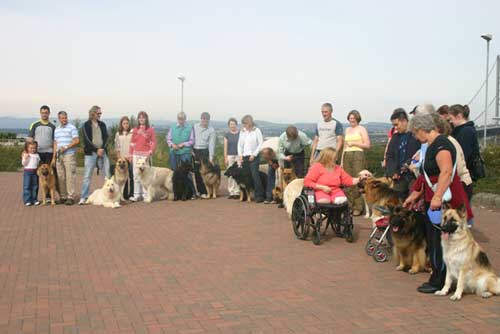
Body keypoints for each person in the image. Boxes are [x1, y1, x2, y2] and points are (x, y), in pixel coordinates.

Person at [404, 112, 473, 294]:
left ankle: (440, 279)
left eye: (416, 133)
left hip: (443, 200)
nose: (416, 137)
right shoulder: (434, 144)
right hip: (433, 197)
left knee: (439, 240)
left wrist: (437, 197)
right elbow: (427, 176)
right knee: (436, 240)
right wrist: (416, 194)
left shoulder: (441, 145)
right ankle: (438, 276)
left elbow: (446, 171)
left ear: (421, 130)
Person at [385, 108, 420, 199]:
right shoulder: (395, 137)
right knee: (396, 200)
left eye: (396, 124)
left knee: (413, 201)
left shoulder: (416, 135)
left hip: (413, 175)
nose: (395, 128)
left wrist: (409, 163)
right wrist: (393, 171)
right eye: (393, 125)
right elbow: (389, 155)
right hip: (399, 176)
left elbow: (420, 153)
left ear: (404, 121)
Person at [79, 106, 111, 204]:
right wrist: (96, 150)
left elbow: (106, 138)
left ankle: (108, 195)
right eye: (98, 113)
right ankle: (84, 197)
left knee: (107, 174)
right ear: (92, 113)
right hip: (90, 153)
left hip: (103, 152)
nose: (100, 115)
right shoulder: (85, 125)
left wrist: (101, 149)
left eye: (100, 113)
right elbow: (87, 140)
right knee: (87, 176)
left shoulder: (102, 124)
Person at [448, 104, 480, 201]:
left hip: (463, 178)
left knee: (463, 210)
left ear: (459, 116)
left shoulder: (466, 132)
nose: (450, 122)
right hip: (462, 177)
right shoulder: (464, 131)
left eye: (451, 118)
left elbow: (464, 156)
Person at [342, 110, 370, 216]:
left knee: (358, 180)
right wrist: (341, 161)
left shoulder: (361, 129)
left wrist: (354, 143)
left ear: (357, 118)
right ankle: (350, 205)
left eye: (353, 118)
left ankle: (358, 207)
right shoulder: (347, 129)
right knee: (347, 180)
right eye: (350, 118)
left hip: (358, 154)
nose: (351, 120)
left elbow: (367, 145)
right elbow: (345, 146)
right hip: (347, 155)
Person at [52, 111, 79, 205]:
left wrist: (66, 147)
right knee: (61, 176)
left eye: (65, 118)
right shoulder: (56, 129)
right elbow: (55, 143)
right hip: (59, 155)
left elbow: (76, 141)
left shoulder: (72, 128)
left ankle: (70, 197)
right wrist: (54, 156)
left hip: (69, 155)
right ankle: (63, 197)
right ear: (59, 119)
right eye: (62, 118)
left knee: (69, 176)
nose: (64, 120)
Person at [129, 111, 156, 202]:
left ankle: (146, 194)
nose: (141, 119)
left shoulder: (150, 130)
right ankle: (137, 195)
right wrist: (130, 154)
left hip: (145, 155)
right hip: (136, 154)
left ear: (146, 119)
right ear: (138, 119)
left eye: (143, 117)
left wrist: (151, 151)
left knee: (146, 175)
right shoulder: (135, 130)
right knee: (136, 174)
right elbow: (132, 143)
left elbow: (153, 142)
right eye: (140, 118)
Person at [237, 115, 264, 203]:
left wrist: (254, 154)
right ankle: (246, 195)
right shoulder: (242, 131)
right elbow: (240, 144)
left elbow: (260, 143)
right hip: (244, 156)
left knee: (255, 176)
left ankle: (259, 195)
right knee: (246, 177)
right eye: (243, 124)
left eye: (245, 124)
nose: (244, 125)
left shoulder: (256, 130)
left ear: (250, 123)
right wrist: (240, 155)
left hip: (254, 157)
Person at [193, 112, 216, 199]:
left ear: (208, 120)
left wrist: (211, 157)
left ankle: (205, 191)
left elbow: (211, 144)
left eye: (206, 119)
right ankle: (199, 191)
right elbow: (192, 138)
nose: (204, 121)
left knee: (205, 172)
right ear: (201, 119)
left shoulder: (211, 130)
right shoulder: (195, 127)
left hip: (204, 151)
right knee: (197, 172)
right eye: (203, 119)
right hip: (195, 150)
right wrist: (192, 150)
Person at [114, 116, 134, 199]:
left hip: (130, 158)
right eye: (124, 123)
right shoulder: (118, 134)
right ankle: (124, 195)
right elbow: (117, 147)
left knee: (132, 176)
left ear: (129, 124)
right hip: (122, 159)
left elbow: (134, 145)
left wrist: (131, 156)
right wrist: (119, 158)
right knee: (123, 176)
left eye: (127, 123)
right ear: (121, 124)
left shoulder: (132, 132)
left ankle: (132, 194)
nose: (126, 125)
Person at [224, 118, 240, 199]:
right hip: (230, 156)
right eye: (230, 124)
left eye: (233, 124)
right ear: (229, 126)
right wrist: (225, 157)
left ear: (236, 125)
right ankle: (231, 192)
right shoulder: (227, 135)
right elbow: (225, 147)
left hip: (238, 155)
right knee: (230, 174)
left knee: (237, 174)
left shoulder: (240, 134)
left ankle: (237, 192)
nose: (232, 126)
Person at [21, 141, 40, 206]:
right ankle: (27, 200)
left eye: (34, 148)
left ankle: (34, 199)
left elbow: (37, 164)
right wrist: (25, 158)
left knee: (35, 186)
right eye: (31, 148)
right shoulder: (26, 154)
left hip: (35, 172)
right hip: (27, 172)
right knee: (27, 186)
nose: (32, 149)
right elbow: (23, 164)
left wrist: (38, 170)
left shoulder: (37, 155)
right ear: (27, 148)